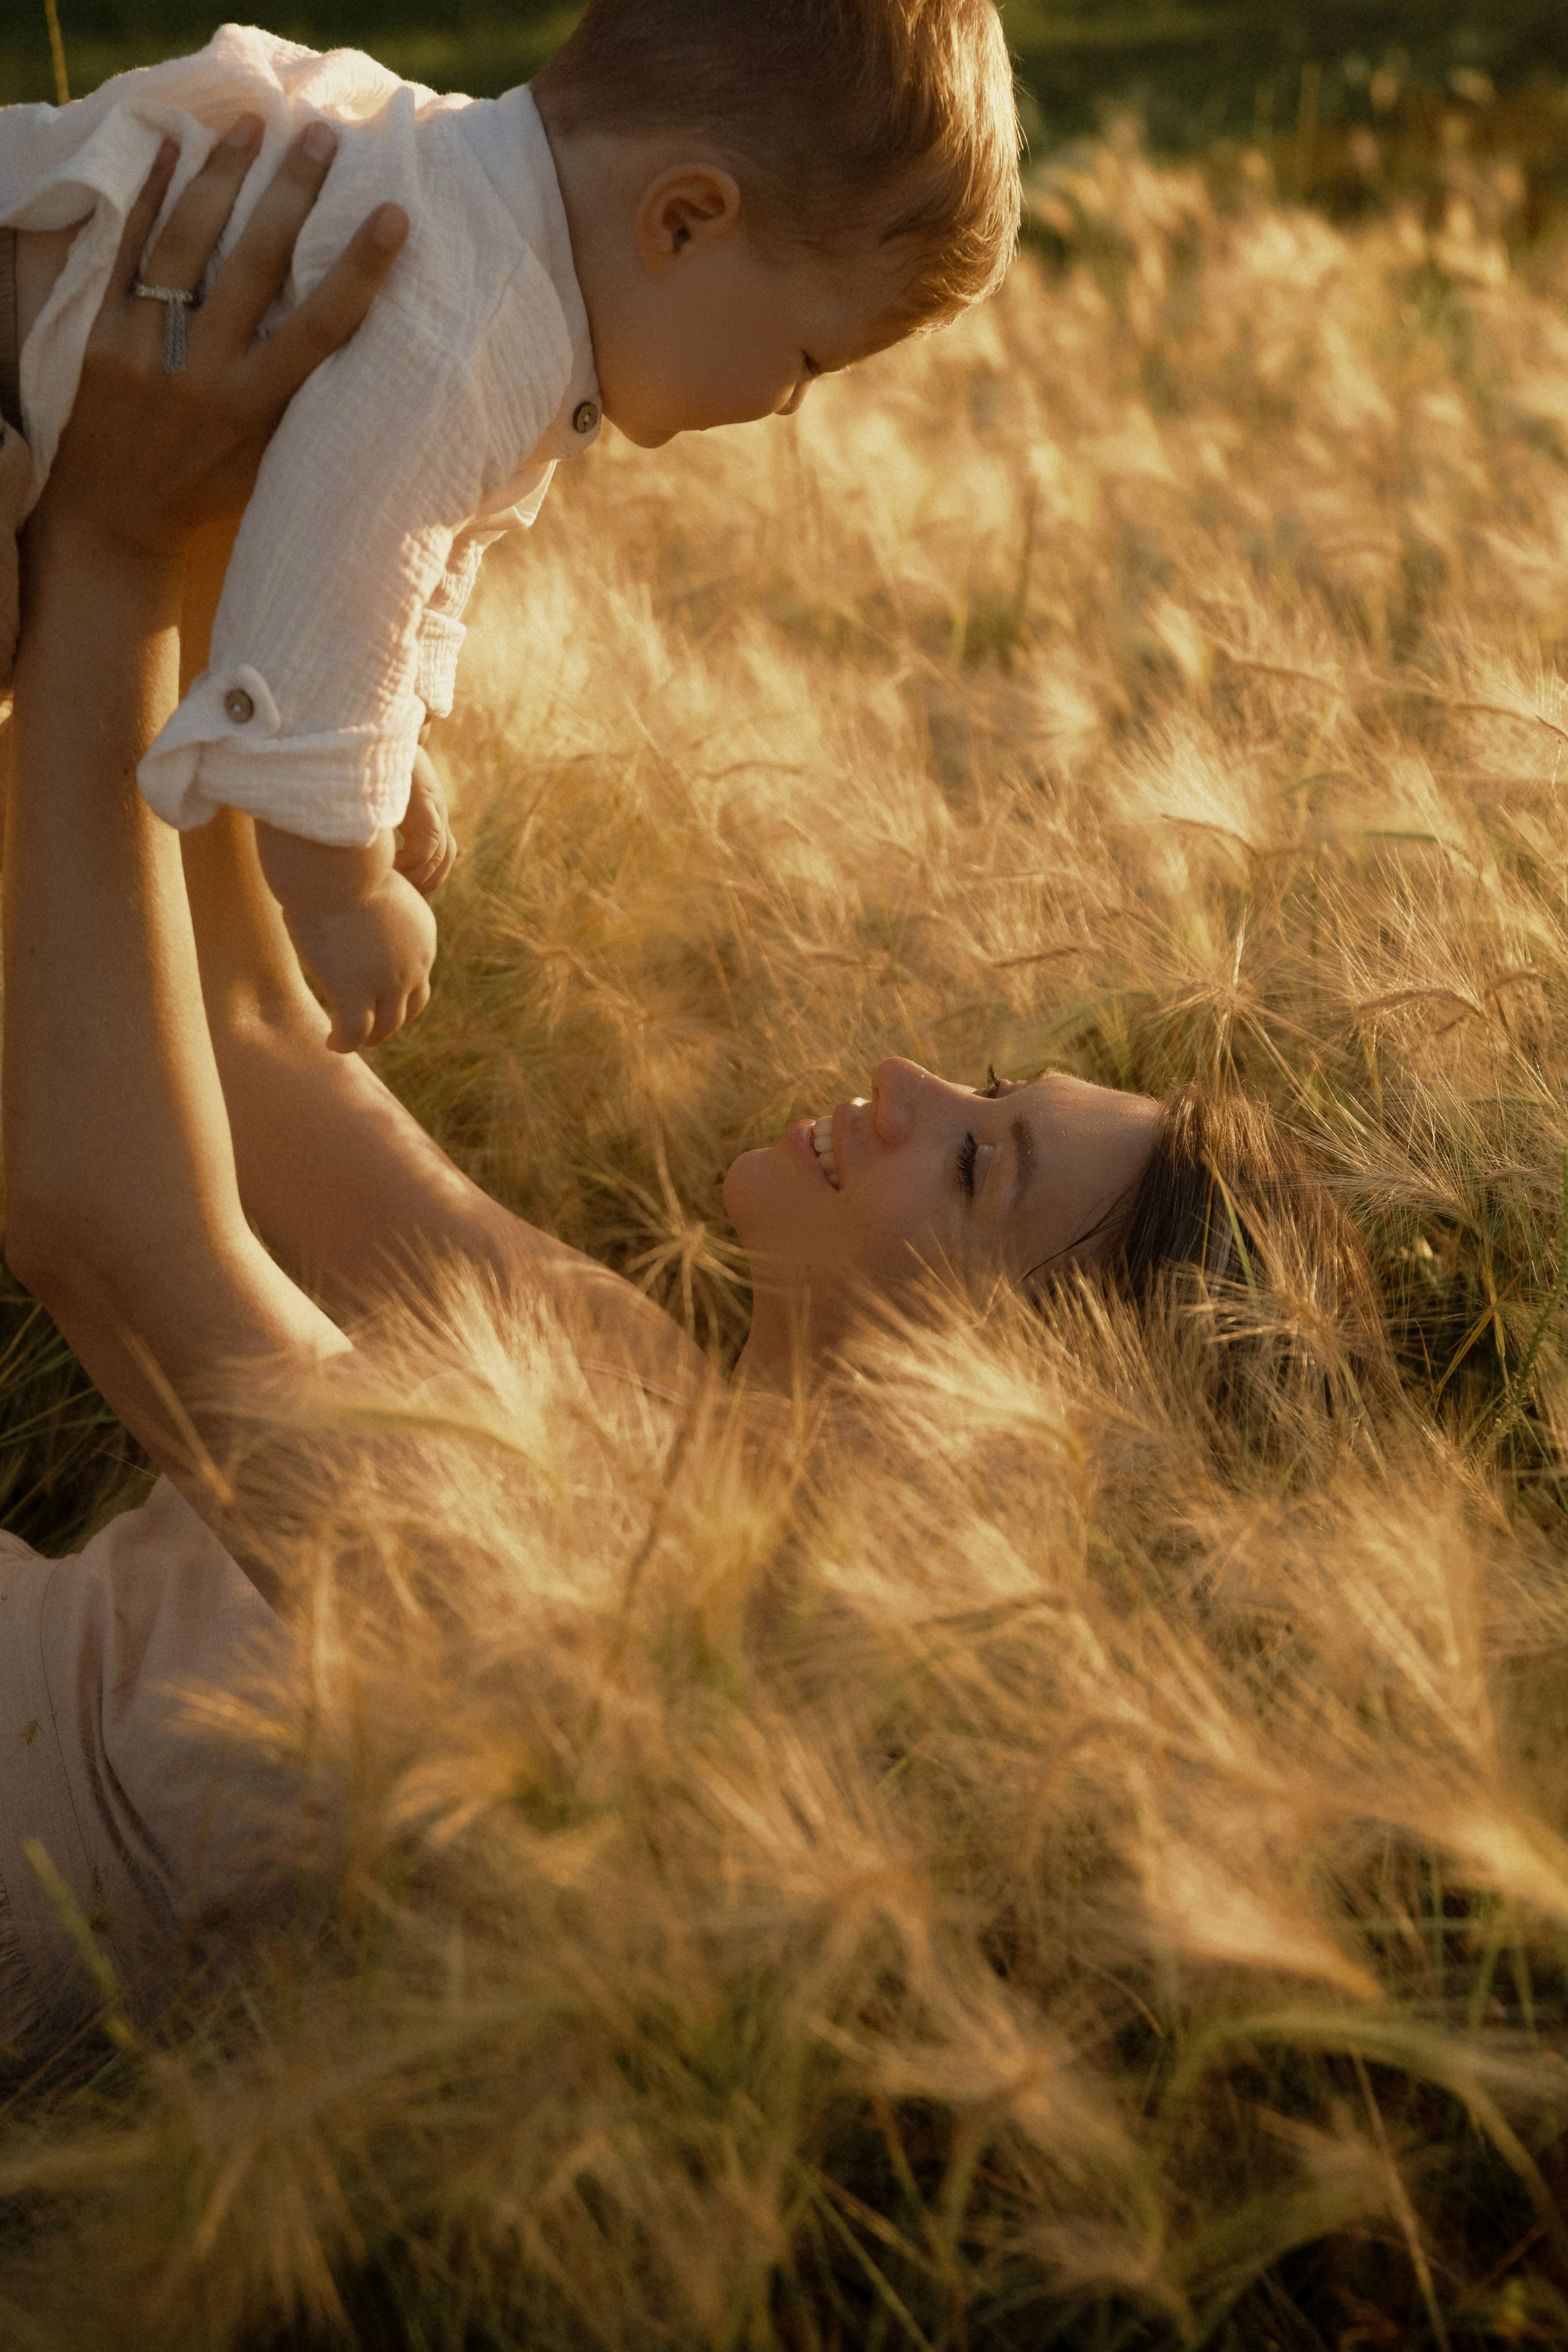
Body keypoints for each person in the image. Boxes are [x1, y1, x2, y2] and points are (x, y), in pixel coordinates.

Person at [0, 143, 1381, 2070]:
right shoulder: (634, 1378)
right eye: (980, 1084)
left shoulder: (606, 1638)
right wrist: (256, 627)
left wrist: (112, 571)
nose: (906, 1084)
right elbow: (243, 1049)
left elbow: (105, 1225)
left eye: (979, 1164)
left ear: (1022, 1434)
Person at [0, 1, 1022, 1052]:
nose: (789, 406)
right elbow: (343, 571)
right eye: (807, 360)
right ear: (682, 219)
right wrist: (339, 889)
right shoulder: (471, 313)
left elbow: (402, 571)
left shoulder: (477, 218)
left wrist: (386, 748)